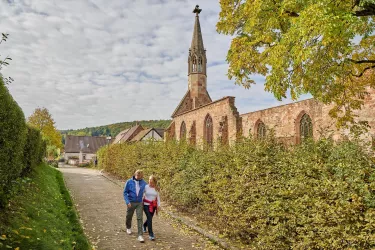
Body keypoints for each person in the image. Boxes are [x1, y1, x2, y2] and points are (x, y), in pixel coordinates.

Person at [123, 170, 147, 243]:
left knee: (140, 218)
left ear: (141, 176)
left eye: (139, 176)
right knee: (129, 216)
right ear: (135, 174)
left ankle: (140, 235)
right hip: (131, 202)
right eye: (137, 175)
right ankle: (128, 227)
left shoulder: (144, 183)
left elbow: (147, 191)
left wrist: (146, 196)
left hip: (139, 203)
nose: (137, 177)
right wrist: (127, 202)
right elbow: (125, 193)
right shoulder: (129, 182)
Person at [142, 175, 161, 241]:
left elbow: (158, 197)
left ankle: (144, 225)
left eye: (151, 181)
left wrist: (159, 205)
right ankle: (151, 234)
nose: (150, 182)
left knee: (149, 218)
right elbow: (141, 194)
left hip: (153, 206)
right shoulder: (146, 187)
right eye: (149, 181)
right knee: (149, 218)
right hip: (146, 205)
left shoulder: (156, 188)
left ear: (154, 182)